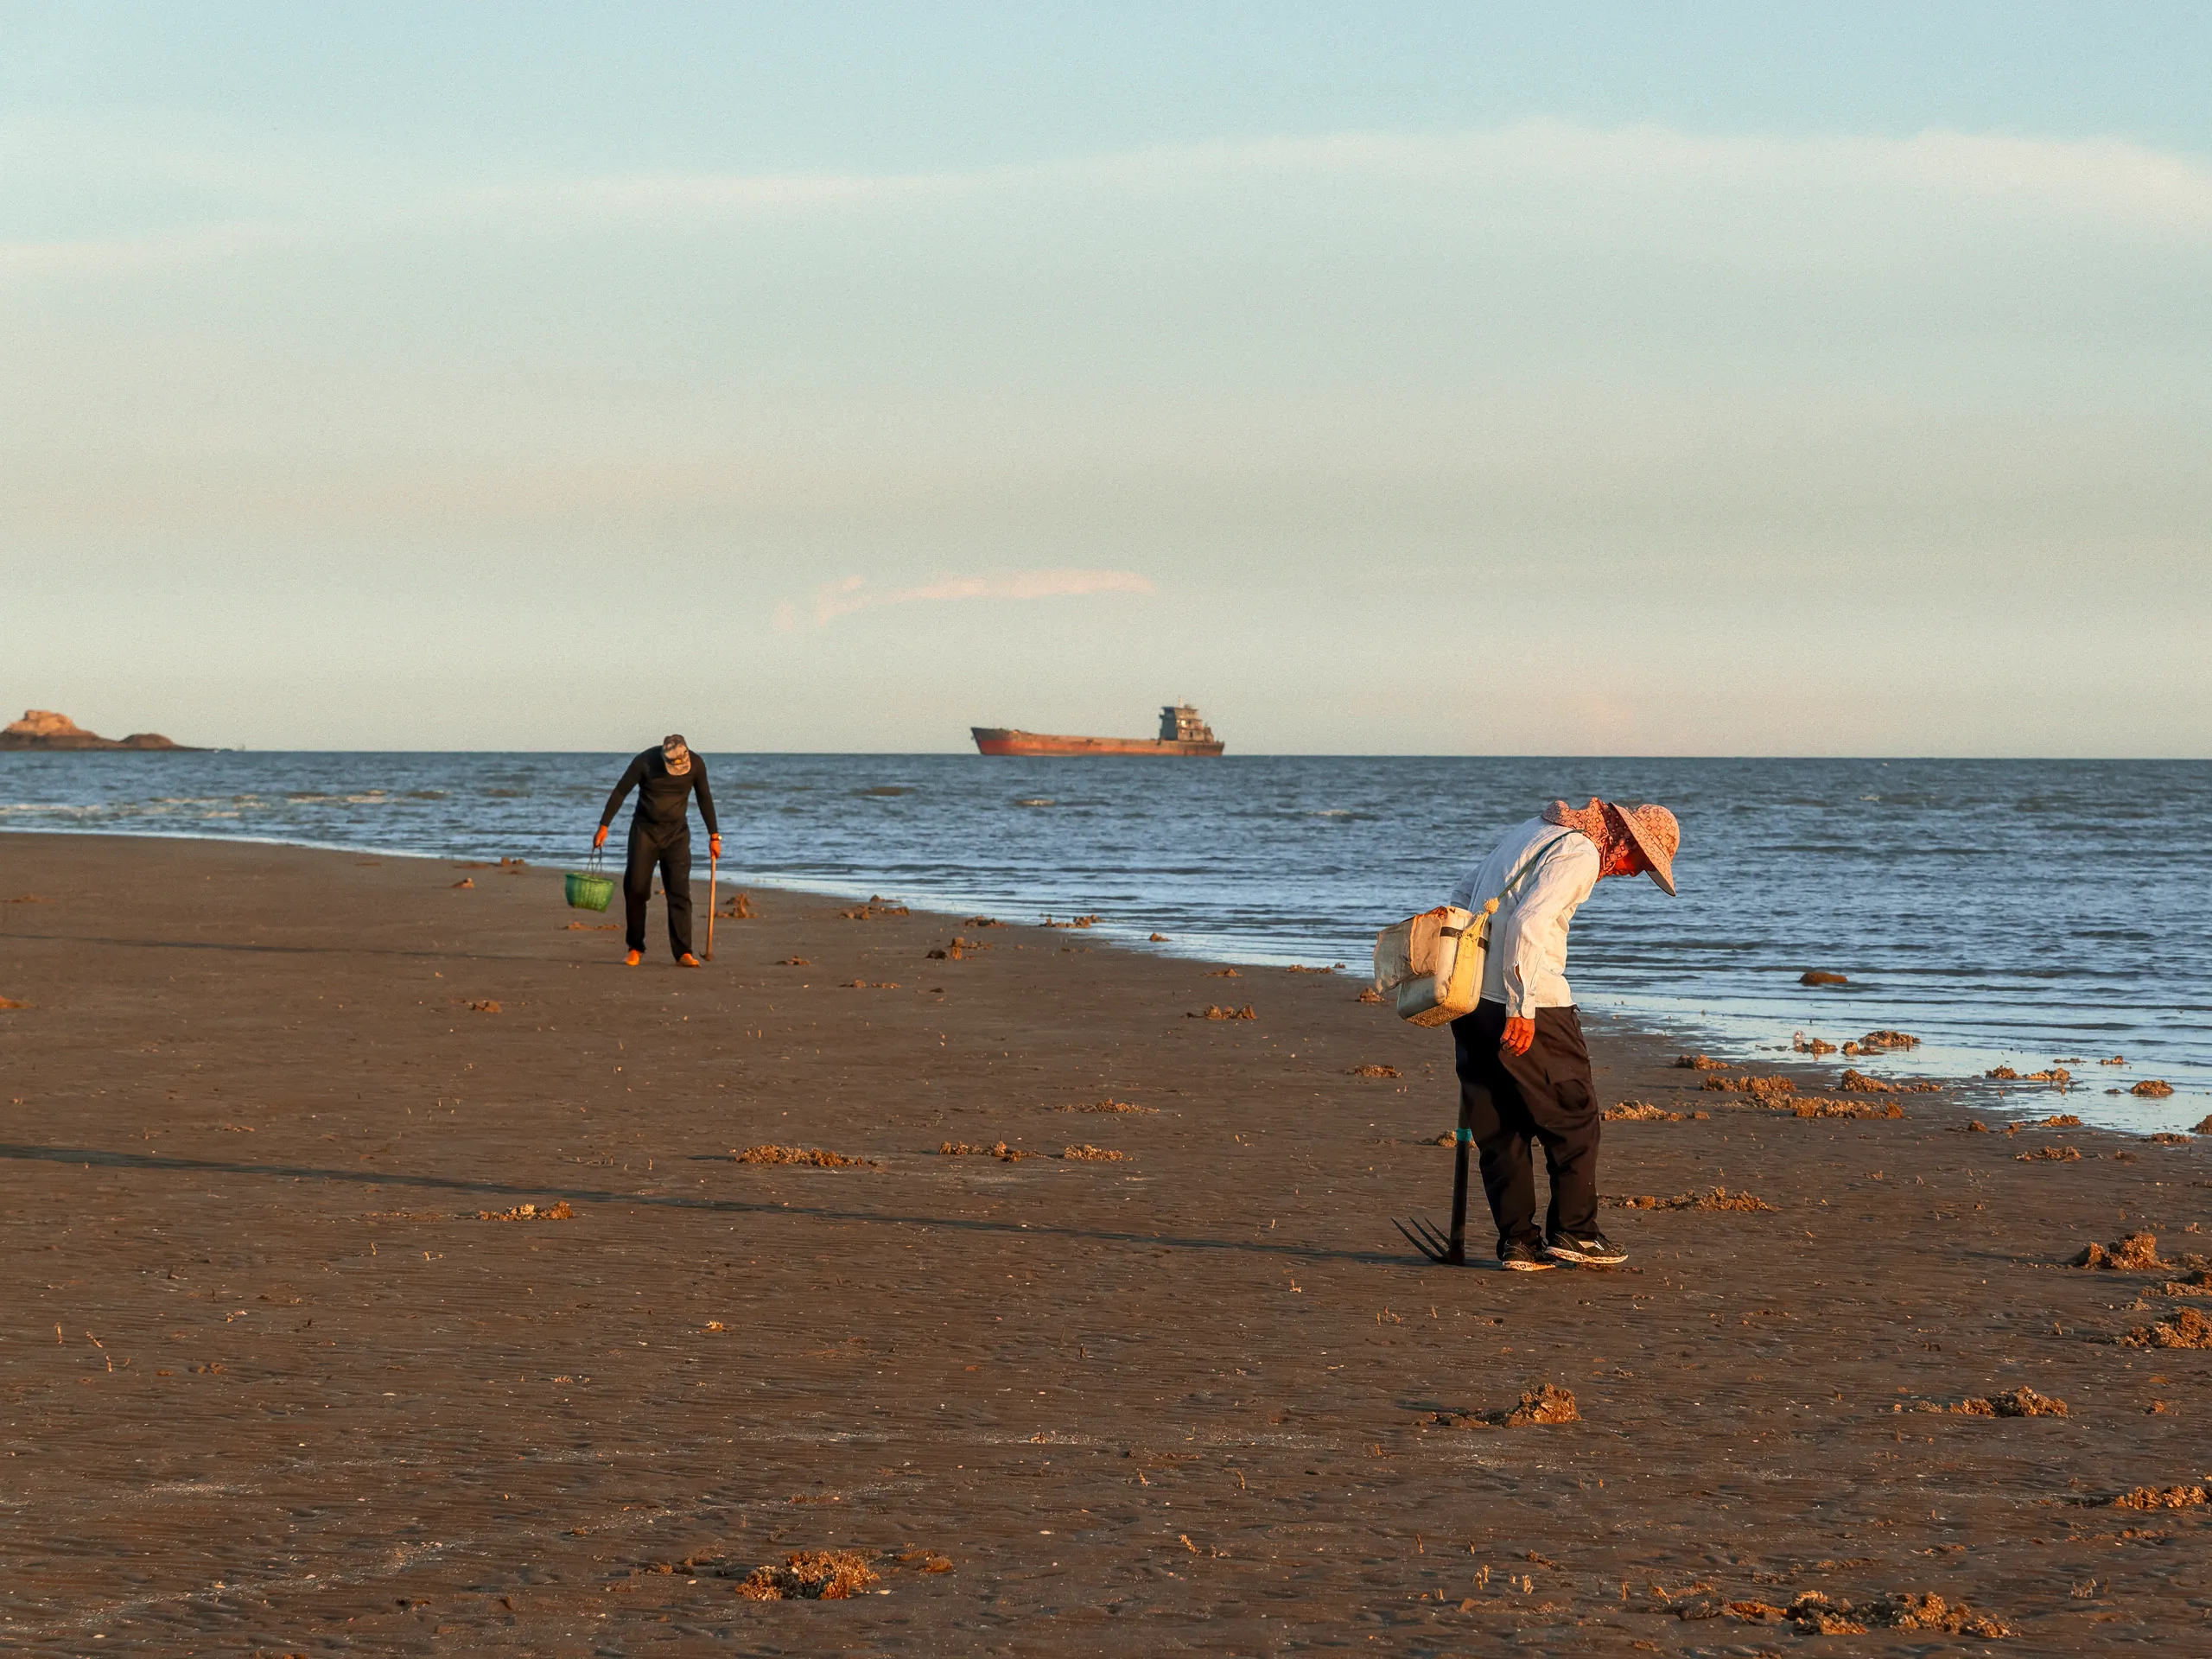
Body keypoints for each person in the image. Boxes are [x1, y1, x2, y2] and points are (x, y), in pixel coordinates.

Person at [1444, 797, 1680, 1271]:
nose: (1636, 874)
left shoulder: (1536, 827)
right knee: (1574, 1118)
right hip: (1535, 1003)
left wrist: (1466, 979)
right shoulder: (1582, 851)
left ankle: (1519, 1243)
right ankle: (1575, 1233)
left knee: (1500, 1123)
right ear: (1626, 840)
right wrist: (1522, 1006)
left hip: (1469, 999)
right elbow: (1529, 922)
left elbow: (1464, 893)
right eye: (1643, 862)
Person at [594, 734, 722, 967]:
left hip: (677, 835)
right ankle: (635, 947)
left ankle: (683, 952)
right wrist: (604, 825)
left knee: (679, 891)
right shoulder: (644, 761)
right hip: (645, 832)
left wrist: (714, 836)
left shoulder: (696, 764)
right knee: (635, 888)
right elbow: (621, 791)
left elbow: (705, 798)